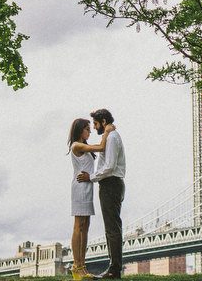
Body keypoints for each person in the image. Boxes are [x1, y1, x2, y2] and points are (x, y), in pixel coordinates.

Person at [76, 108, 125, 279]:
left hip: (110, 184)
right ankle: (114, 267)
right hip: (111, 184)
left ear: (103, 122)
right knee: (111, 227)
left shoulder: (111, 137)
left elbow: (109, 166)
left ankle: (114, 270)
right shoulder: (109, 136)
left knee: (112, 228)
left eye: (96, 124)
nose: (95, 128)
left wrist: (91, 177)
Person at [68, 117, 115, 281]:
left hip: (87, 186)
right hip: (80, 187)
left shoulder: (84, 146)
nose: (89, 131)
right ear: (79, 130)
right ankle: (76, 266)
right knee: (78, 226)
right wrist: (107, 131)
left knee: (85, 227)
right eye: (87, 129)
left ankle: (82, 266)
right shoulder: (76, 145)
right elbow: (101, 147)